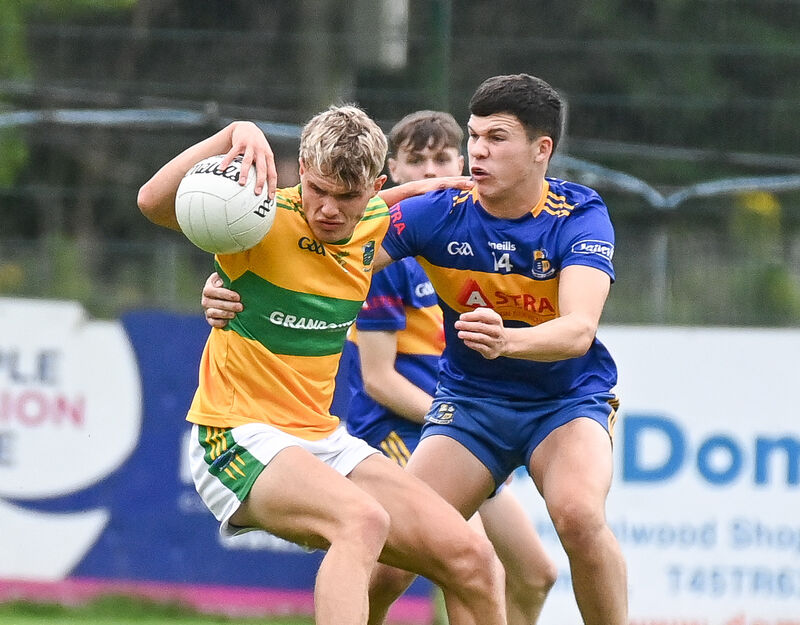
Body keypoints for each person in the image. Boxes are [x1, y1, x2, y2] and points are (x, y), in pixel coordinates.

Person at [201, 74, 628, 625]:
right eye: (474, 136)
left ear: (541, 149)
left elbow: (578, 331)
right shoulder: (440, 212)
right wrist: (230, 285)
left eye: (496, 138)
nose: (478, 151)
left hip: (566, 401)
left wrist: (506, 341)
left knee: (575, 515)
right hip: (470, 405)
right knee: (393, 563)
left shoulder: (579, 214)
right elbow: (326, 256)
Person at [136, 105, 507, 625]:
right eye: (319, 191)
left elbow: (407, 199)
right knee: (361, 522)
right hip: (237, 434)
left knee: (476, 561)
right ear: (303, 175)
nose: (329, 209)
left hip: (320, 436)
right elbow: (151, 202)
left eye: (348, 197)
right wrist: (233, 132)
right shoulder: (256, 217)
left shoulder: (373, 222)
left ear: (372, 188)